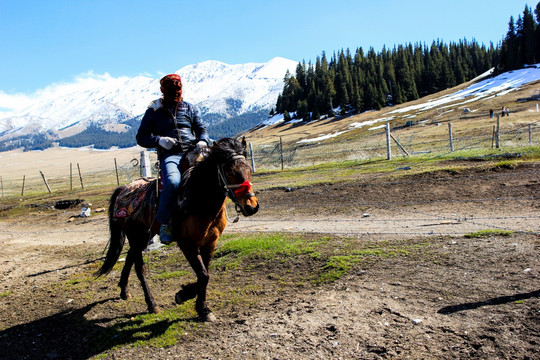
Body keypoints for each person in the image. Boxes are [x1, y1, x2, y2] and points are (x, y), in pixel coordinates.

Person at [136, 74, 210, 244]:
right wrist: (159, 140)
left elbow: (201, 128)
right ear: (163, 90)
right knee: (173, 182)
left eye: (178, 88)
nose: (176, 92)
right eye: (172, 89)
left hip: (194, 151)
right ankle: (164, 223)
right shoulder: (153, 111)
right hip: (171, 155)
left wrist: (202, 140)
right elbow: (141, 137)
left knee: (216, 174)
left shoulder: (190, 108)